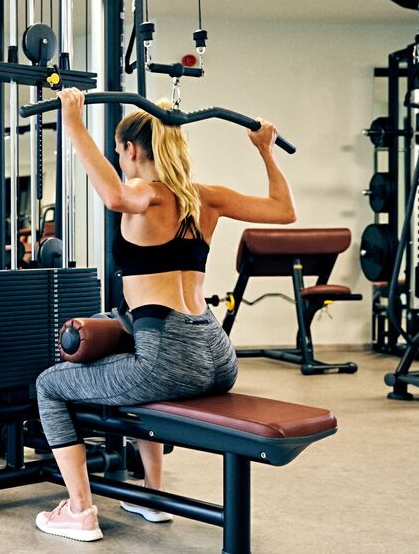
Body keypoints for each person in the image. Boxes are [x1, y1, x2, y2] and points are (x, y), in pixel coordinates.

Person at [33, 88, 296, 542]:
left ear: (131, 150)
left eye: (119, 152)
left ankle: (79, 510)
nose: (120, 160)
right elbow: (284, 210)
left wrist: (73, 124)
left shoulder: (145, 194)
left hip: (167, 356)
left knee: (50, 385)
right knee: (135, 370)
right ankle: (151, 495)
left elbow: (115, 197)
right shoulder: (203, 196)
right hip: (217, 355)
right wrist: (265, 152)